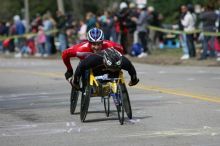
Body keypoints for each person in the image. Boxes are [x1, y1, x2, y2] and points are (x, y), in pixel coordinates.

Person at [72, 48, 139, 90]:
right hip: (97, 71)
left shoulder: (123, 61)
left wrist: (134, 80)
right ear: (105, 61)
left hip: (113, 74)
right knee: (84, 68)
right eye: (111, 68)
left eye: (115, 68)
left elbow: (131, 69)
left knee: (119, 70)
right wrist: (76, 82)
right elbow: (80, 66)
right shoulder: (94, 59)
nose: (113, 69)